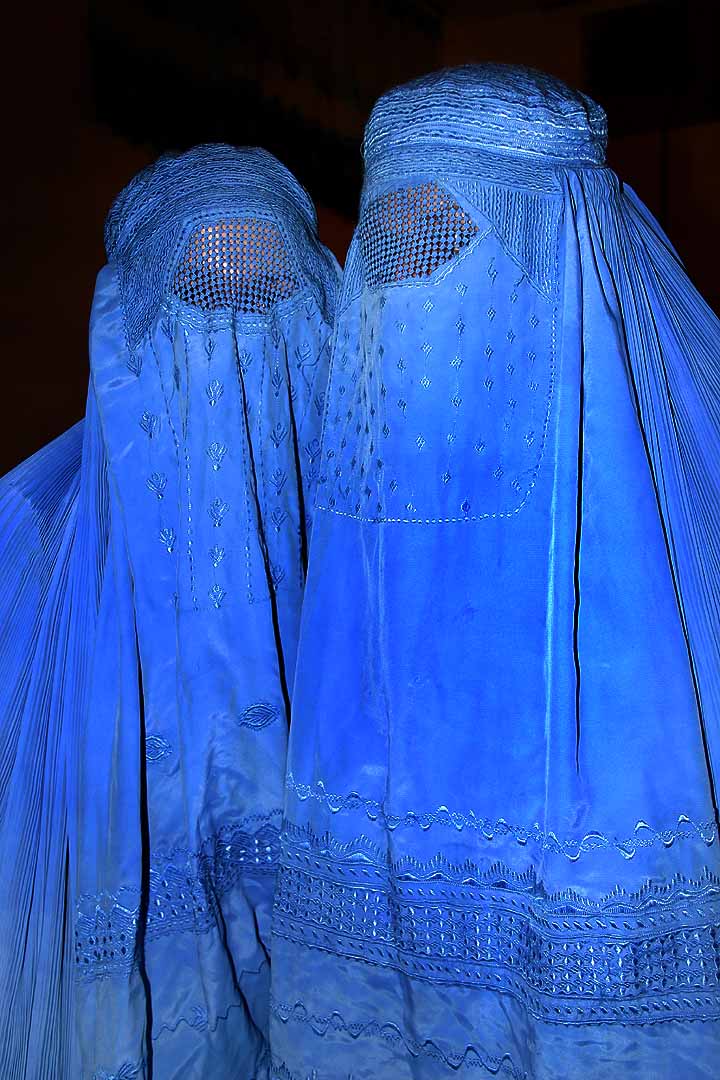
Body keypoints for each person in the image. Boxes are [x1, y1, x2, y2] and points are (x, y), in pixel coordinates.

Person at [270, 65, 720, 1079]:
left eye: (446, 248)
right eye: (384, 256)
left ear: (569, 249)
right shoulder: (358, 535)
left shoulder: (683, 505)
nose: (410, 297)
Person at [0, 144, 339, 1079]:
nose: (237, 358)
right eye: (200, 306)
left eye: (268, 307)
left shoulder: (379, 568)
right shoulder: (27, 552)